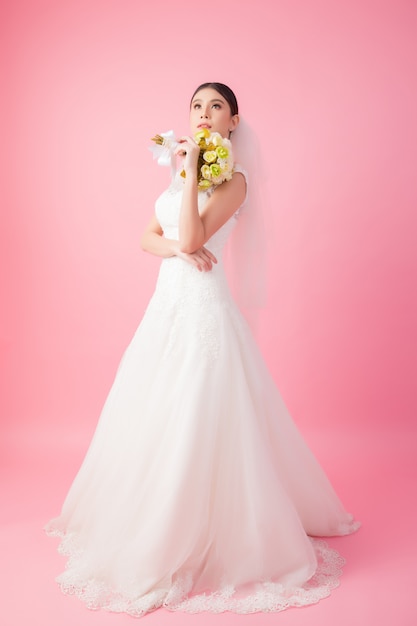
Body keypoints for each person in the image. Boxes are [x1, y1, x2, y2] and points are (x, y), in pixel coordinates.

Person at [45, 82, 360, 617]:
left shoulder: (233, 182)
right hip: (166, 306)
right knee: (155, 408)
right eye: (196, 106)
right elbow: (151, 237)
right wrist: (177, 239)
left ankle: (204, 530)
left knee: (200, 409)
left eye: (216, 107)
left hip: (204, 311)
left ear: (233, 121)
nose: (203, 115)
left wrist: (189, 183)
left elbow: (193, 240)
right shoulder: (180, 171)